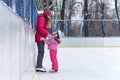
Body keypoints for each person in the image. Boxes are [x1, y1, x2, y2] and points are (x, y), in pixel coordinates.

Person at [35, 7, 53, 72]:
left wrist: (46, 35)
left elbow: (42, 28)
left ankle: (39, 65)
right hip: (39, 37)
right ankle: (39, 66)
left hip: (41, 37)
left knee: (41, 51)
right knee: (41, 51)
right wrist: (47, 34)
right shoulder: (42, 18)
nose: (49, 17)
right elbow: (40, 28)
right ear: (46, 15)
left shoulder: (42, 18)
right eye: (49, 16)